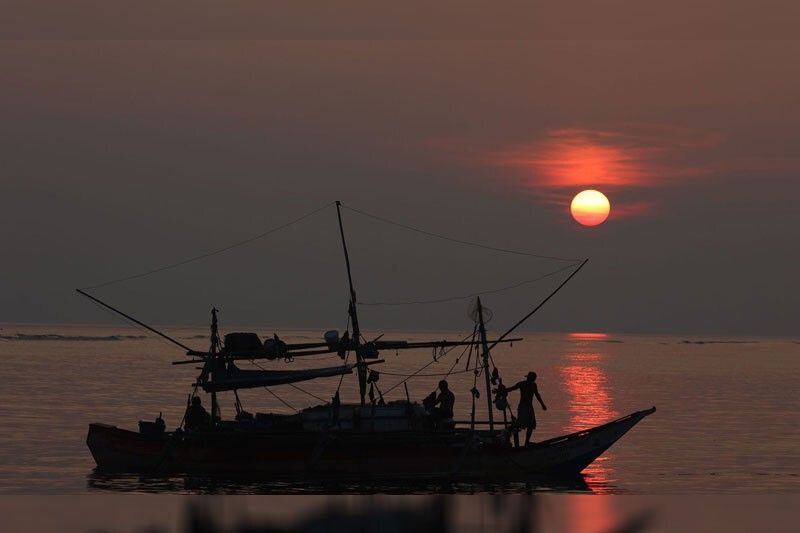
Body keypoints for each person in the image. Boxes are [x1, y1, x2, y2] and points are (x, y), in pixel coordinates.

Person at [506, 371, 547, 446]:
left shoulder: (533, 385)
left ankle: (526, 442)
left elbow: (537, 395)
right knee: (520, 423)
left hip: (529, 407)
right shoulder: (522, 384)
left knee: (531, 424)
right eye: (532, 379)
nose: (532, 380)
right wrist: (503, 390)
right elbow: (512, 388)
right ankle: (508, 432)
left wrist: (542, 404)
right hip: (523, 406)